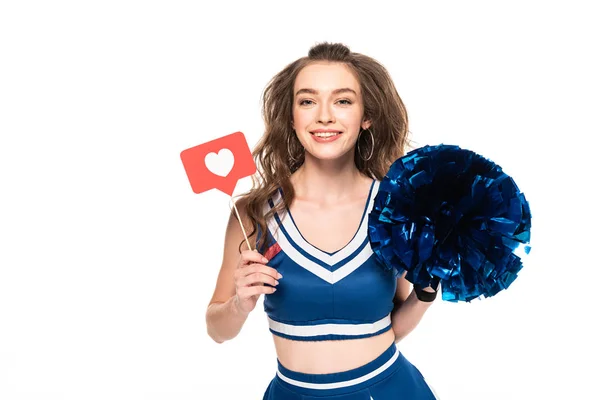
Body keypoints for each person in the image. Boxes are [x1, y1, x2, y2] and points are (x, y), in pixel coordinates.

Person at [206, 42, 439, 399]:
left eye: (343, 101)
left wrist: (425, 292)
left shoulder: (394, 208)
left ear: (367, 116)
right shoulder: (254, 213)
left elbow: (390, 327)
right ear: (291, 116)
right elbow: (217, 330)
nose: (324, 116)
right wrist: (240, 303)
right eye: (307, 101)